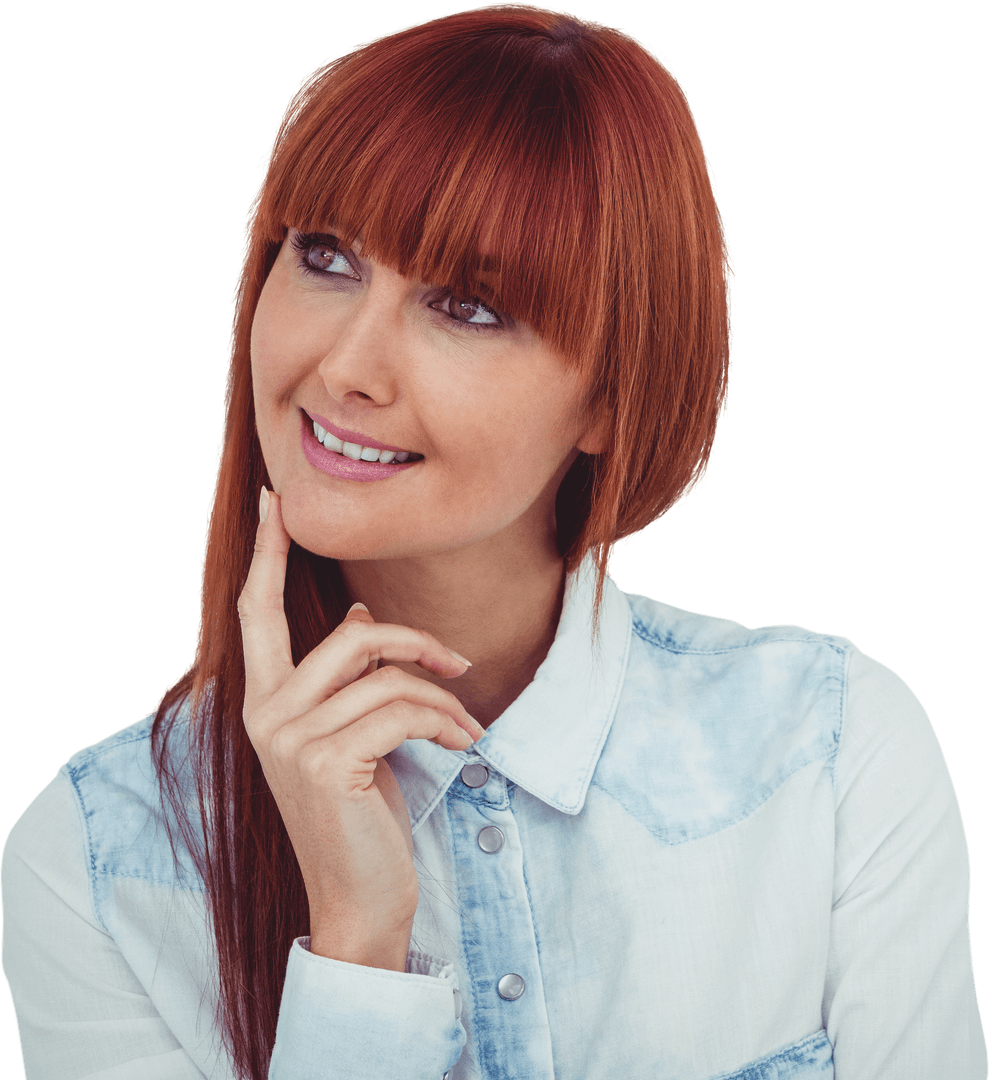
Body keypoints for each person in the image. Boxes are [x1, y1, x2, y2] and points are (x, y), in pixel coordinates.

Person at [2, 3, 984, 1078]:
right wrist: (356, 953)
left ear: (610, 397)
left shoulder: (827, 758)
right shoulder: (96, 863)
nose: (347, 369)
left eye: (466, 306)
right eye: (324, 256)